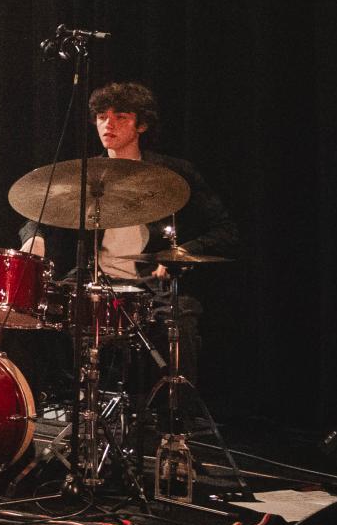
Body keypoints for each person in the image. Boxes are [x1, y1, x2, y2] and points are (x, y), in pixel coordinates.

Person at [19, 81, 237, 381]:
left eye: (120, 117)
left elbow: (225, 230)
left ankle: (173, 407)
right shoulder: (84, 173)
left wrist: (182, 252)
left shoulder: (174, 173)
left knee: (179, 325)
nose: (108, 124)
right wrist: (35, 237)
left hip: (153, 286)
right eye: (102, 117)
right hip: (96, 279)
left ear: (142, 125)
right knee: (33, 314)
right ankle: (56, 399)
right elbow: (37, 214)